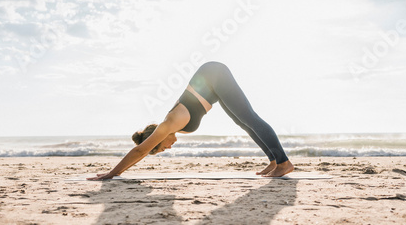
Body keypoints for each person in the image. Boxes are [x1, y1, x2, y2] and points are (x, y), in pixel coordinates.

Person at [88, 61, 293, 179]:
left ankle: (283, 162)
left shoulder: (169, 124)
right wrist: (119, 172)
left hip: (214, 75)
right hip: (213, 85)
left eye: (161, 148)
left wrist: (112, 173)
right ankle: (274, 161)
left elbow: (140, 150)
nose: (167, 149)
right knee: (242, 122)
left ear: (158, 138)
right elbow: (143, 152)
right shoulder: (172, 127)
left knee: (250, 117)